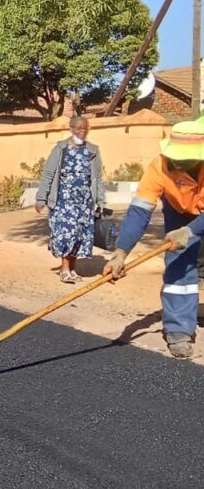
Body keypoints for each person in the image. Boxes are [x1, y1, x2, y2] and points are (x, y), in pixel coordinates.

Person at [103, 116, 204, 358]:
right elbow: (139, 212)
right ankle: (179, 329)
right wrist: (120, 253)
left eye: (187, 161)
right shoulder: (158, 167)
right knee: (179, 265)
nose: (180, 165)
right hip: (178, 212)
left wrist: (191, 231)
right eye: (176, 160)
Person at [35, 116, 106, 283]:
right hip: (63, 201)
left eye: (85, 129)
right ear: (72, 128)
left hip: (85, 201)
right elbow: (48, 174)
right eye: (79, 128)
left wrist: (101, 201)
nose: (82, 131)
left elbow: (97, 178)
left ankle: (72, 268)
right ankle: (64, 269)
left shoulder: (92, 150)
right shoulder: (61, 149)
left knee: (80, 235)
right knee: (68, 233)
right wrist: (41, 198)